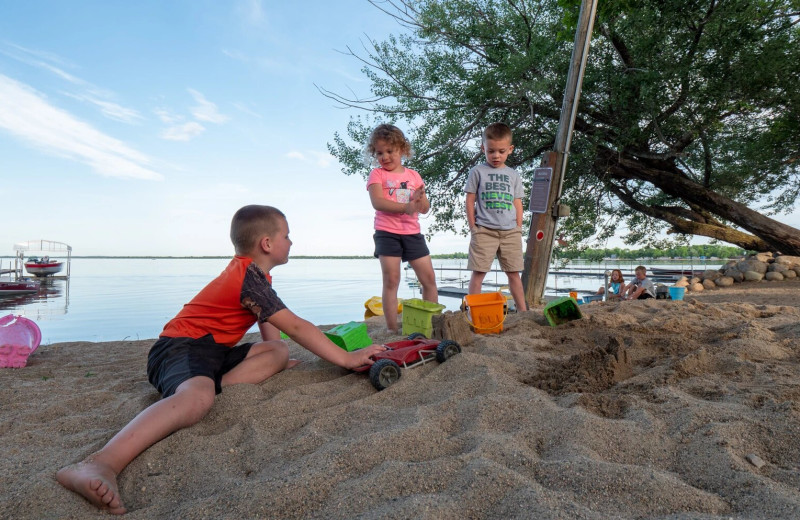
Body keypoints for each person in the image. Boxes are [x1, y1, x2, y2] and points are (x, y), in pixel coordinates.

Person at [56, 205, 386, 514]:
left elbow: (268, 320)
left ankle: (203, 388)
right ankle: (100, 463)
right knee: (198, 398)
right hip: (180, 347)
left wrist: (276, 358)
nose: (291, 241)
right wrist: (346, 357)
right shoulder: (247, 277)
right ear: (267, 243)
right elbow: (297, 326)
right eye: (287, 235)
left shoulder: (258, 278)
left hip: (213, 351)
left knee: (279, 351)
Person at [366, 124, 438, 332]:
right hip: (386, 233)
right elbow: (378, 202)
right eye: (380, 153)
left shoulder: (414, 176)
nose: (385, 157)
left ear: (402, 150)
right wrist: (406, 207)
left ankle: (431, 322)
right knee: (392, 280)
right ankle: (391, 329)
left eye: (390, 151)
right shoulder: (377, 175)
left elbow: (424, 208)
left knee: (429, 279)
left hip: (412, 233)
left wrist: (419, 200)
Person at [464, 122, 528, 312]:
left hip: (510, 232)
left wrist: (518, 226)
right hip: (484, 231)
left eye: (501, 151)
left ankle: (523, 311)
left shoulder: (513, 174)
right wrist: (473, 227)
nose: (496, 156)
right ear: (483, 148)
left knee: (514, 273)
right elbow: (470, 200)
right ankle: (472, 310)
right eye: (491, 151)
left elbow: (517, 202)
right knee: (479, 272)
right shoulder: (477, 172)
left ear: (510, 149)